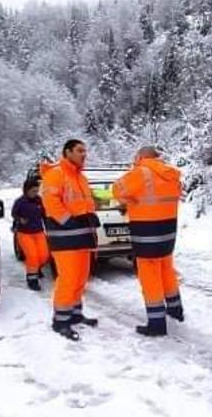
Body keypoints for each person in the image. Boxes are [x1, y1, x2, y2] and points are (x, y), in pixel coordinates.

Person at [112, 146, 183, 337]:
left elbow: (117, 190)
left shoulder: (140, 172)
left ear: (142, 156)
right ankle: (176, 310)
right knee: (166, 271)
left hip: (147, 235)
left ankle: (157, 323)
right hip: (167, 234)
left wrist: (129, 201)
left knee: (150, 277)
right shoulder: (171, 174)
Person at [41, 139, 100, 340]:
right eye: (80, 151)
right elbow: (50, 202)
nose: (84, 154)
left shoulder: (80, 177)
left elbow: (83, 202)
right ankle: (61, 320)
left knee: (81, 278)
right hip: (65, 238)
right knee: (68, 278)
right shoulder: (55, 174)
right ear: (67, 152)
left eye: (85, 151)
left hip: (82, 237)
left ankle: (75, 314)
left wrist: (91, 215)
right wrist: (68, 221)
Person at [12, 179, 50, 291]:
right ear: (26, 190)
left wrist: (49, 227)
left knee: (44, 255)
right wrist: (20, 219)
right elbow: (14, 213)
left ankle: (36, 268)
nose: (35, 193)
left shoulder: (39, 201)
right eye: (33, 191)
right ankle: (32, 279)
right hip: (24, 233)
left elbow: (45, 215)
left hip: (39, 232)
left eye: (37, 191)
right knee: (32, 256)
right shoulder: (20, 202)